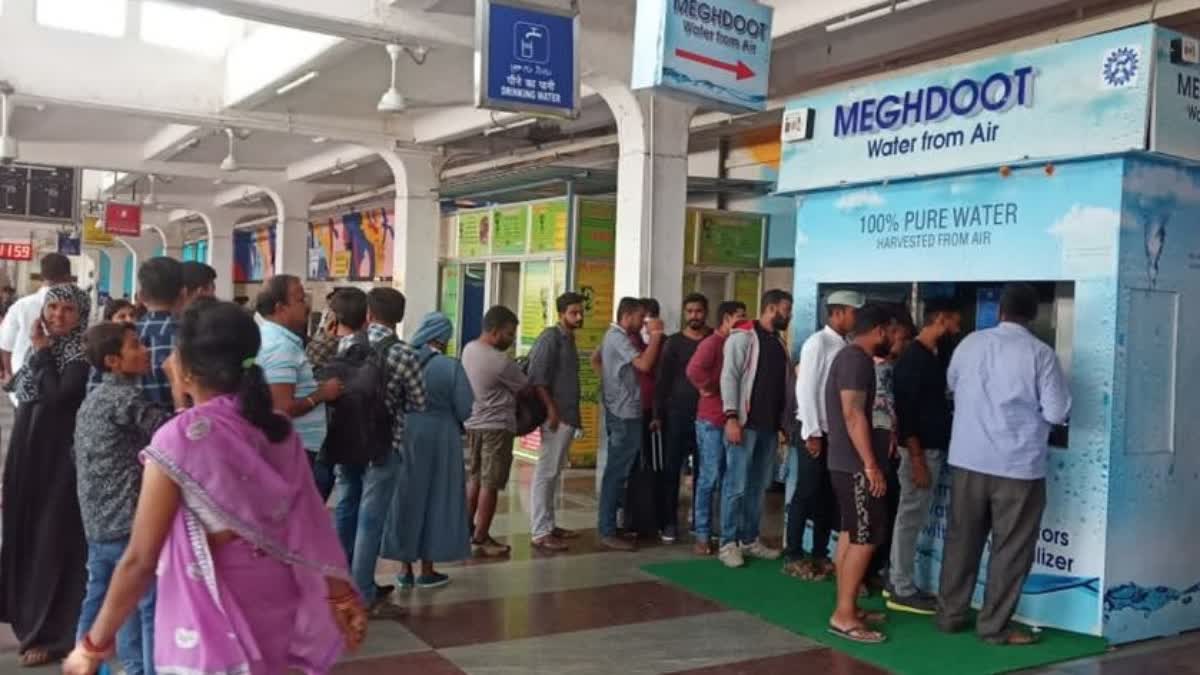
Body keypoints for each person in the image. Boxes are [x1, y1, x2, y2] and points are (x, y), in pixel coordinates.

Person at [61, 299, 366, 675]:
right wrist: (340, 594)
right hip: (276, 594)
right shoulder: (276, 427)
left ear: (187, 367)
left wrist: (94, 645)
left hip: (217, 605)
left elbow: (139, 560)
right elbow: (311, 520)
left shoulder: (179, 440)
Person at [937, 284, 1071, 645]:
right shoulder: (1041, 354)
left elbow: (951, 385)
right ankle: (993, 628)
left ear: (1000, 311)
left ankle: (950, 616)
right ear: (1034, 315)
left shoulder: (969, 344)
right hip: (1017, 467)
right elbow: (1058, 412)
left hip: (967, 459)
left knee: (961, 540)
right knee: (1010, 550)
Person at [74, 322, 174, 675]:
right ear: (114, 361)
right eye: (135, 346)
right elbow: (173, 435)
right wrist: (178, 384)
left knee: (101, 596)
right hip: (126, 519)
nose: (145, 350)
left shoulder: (95, 397)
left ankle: (90, 665)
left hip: (97, 519)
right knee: (147, 603)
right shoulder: (125, 399)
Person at [0, 284, 90, 667]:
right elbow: (21, 394)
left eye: (68, 309)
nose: (57, 316)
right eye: (52, 307)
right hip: (29, 458)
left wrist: (39, 353)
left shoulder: (80, 355)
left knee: (55, 543)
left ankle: (55, 635)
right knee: (26, 535)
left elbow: (58, 400)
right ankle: (28, 623)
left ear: (81, 314)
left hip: (60, 465)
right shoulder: (47, 347)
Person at [330, 287, 425, 618]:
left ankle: (340, 587)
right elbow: (418, 401)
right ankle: (364, 593)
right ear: (399, 318)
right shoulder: (404, 353)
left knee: (346, 509)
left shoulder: (346, 343)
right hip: (385, 445)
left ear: (368, 314)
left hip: (346, 442)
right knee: (371, 521)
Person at [382, 312, 472, 587]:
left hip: (405, 432)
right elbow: (466, 408)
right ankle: (428, 570)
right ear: (443, 338)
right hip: (442, 437)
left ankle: (404, 569)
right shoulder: (450, 367)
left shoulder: (401, 359)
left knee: (406, 497)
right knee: (437, 497)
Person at [825, 303, 896, 644]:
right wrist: (870, 465)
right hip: (855, 465)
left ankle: (848, 605)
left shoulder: (852, 358)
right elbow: (853, 414)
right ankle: (843, 615)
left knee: (851, 533)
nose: (895, 340)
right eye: (893, 333)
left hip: (846, 462)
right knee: (866, 537)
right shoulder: (855, 359)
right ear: (880, 330)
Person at [887, 299, 963, 614]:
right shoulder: (912, 360)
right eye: (955, 322)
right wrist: (917, 459)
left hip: (933, 449)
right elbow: (906, 414)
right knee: (909, 517)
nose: (958, 329)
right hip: (920, 452)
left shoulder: (935, 356)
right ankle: (900, 586)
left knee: (913, 516)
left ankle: (898, 579)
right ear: (940, 319)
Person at [785, 290, 865, 580]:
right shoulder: (816, 343)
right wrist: (812, 432)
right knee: (805, 493)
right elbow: (805, 389)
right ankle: (793, 553)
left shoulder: (844, 345)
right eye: (854, 312)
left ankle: (820, 553)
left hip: (834, 434)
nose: (856, 319)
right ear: (838, 312)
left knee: (826, 497)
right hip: (814, 432)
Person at [717, 289, 793, 568]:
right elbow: (729, 377)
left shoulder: (777, 343)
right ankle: (727, 543)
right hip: (744, 425)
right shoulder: (742, 338)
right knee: (735, 485)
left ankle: (749, 539)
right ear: (771, 308)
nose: (789, 315)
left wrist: (784, 424)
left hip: (769, 428)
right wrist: (731, 417)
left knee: (758, 486)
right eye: (786, 309)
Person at [256, 274, 342, 500]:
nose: (306, 306)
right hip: (295, 449)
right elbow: (283, 407)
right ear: (280, 308)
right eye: (300, 300)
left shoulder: (277, 340)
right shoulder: (280, 347)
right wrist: (322, 394)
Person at [597, 298, 665, 551]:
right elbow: (645, 365)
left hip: (623, 409)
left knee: (621, 471)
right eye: (640, 317)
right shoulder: (618, 337)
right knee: (616, 472)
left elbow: (597, 360)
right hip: (623, 414)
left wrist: (610, 386)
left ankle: (613, 525)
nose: (642, 322)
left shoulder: (613, 337)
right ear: (627, 316)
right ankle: (606, 529)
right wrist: (657, 335)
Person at [463, 305, 527, 557]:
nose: (511, 340)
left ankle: (465, 529)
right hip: (496, 428)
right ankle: (481, 537)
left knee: (476, 478)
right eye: (509, 334)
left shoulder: (469, 349)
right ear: (494, 331)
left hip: (474, 423)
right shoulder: (500, 361)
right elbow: (525, 387)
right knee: (491, 484)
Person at [685, 300, 747, 555]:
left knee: (728, 479)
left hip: (730, 420)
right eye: (740, 317)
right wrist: (709, 387)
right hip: (711, 421)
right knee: (709, 478)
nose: (744, 322)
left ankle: (726, 533)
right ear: (727, 318)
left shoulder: (739, 342)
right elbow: (693, 370)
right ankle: (702, 533)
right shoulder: (712, 343)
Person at [527, 292, 585, 552]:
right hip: (556, 416)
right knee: (546, 472)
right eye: (573, 312)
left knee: (554, 472)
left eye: (580, 311)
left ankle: (549, 524)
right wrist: (551, 410)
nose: (579, 316)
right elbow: (538, 377)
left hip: (567, 415)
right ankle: (540, 531)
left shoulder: (568, 339)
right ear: (561, 313)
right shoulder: (551, 338)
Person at [653, 292, 711, 543]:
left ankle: (701, 524)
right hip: (677, 414)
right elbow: (662, 380)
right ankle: (669, 522)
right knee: (671, 470)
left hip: (707, 416)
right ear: (684, 314)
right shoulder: (673, 343)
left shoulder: (713, 340)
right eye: (690, 311)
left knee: (705, 472)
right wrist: (657, 414)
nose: (694, 316)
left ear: (705, 313)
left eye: (698, 311)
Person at [867, 305, 914, 591]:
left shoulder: (893, 367)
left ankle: (878, 569)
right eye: (901, 337)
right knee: (875, 515)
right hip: (875, 451)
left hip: (892, 450)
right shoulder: (871, 365)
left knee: (889, 512)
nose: (903, 344)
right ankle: (864, 573)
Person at [0, 253, 72, 386]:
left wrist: (10, 376)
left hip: (23, 381)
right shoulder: (76, 306)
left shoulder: (21, 305)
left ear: (42, 276)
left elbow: (6, 345)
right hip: (61, 383)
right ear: (68, 277)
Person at [134, 258, 188, 408]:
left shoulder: (119, 336)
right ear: (183, 294)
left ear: (141, 296)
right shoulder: (191, 338)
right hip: (176, 426)